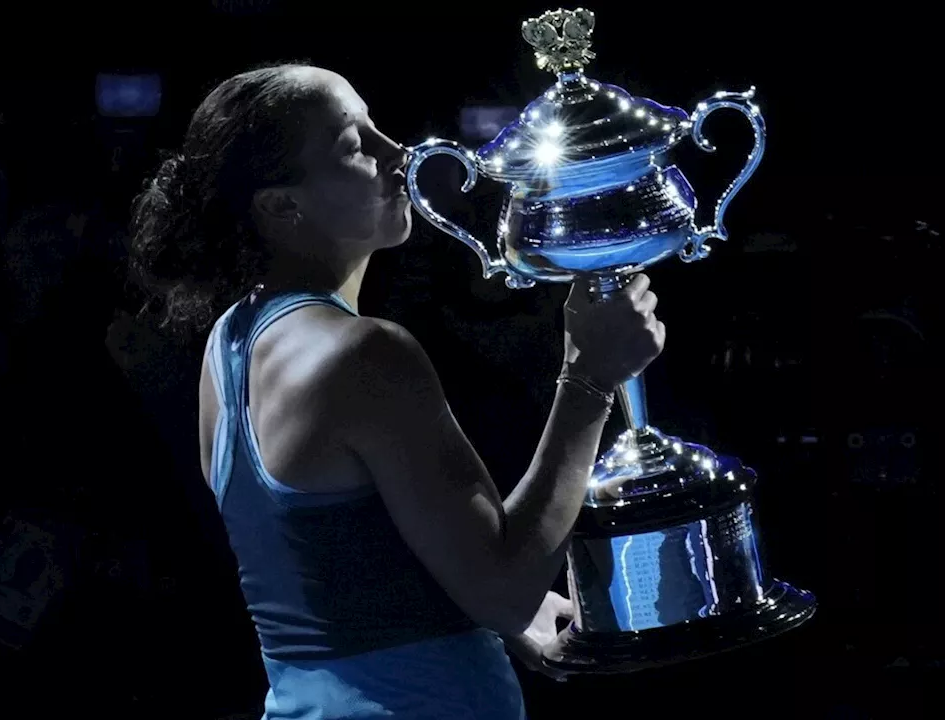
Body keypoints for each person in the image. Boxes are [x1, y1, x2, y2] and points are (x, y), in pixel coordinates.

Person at [129, 63, 665, 720]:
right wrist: (588, 375)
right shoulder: (365, 354)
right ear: (281, 205)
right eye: (356, 145)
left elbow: (333, 576)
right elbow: (504, 589)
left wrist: (467, 612)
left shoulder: (230, 341)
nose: (398, 153)